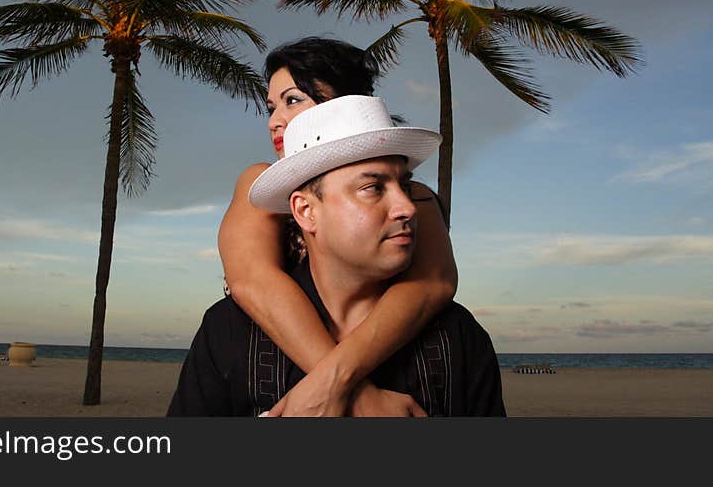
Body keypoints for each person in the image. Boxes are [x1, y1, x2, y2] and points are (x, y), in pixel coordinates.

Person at [167, 95, 505, 416]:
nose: (407, 208)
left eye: (405, 185)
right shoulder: (230, 332)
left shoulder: (458, 336)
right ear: (305, 211)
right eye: (373, 188)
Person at [218, 38, 458, 416]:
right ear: (302, 210)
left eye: (293, 100)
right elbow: (252, 281)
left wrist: (336, 381)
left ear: (345, 103)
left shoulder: (411, 198)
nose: (274, 120)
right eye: (271, 106)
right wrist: (357, 395)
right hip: (271, 360)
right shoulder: (260, 184)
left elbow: (432, 284)